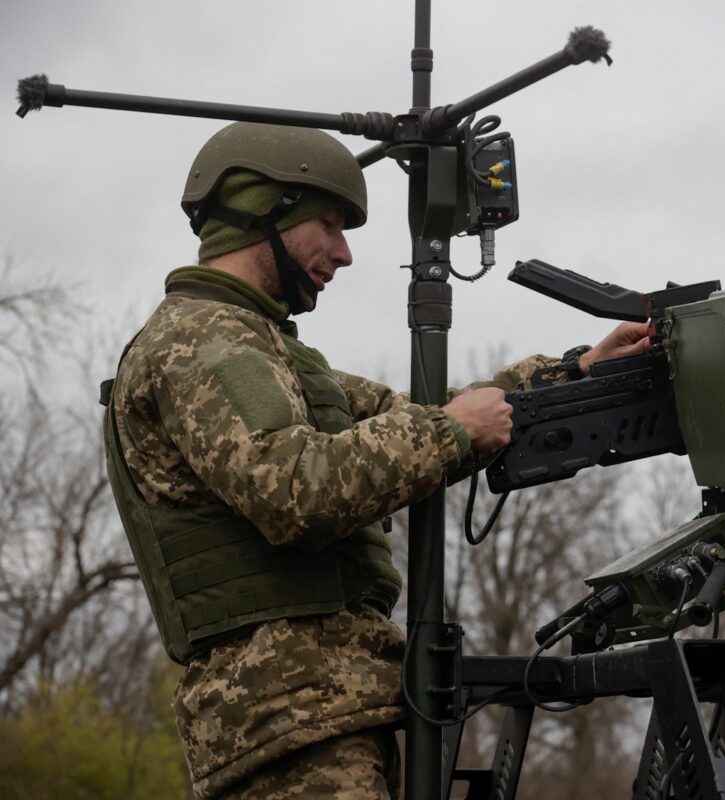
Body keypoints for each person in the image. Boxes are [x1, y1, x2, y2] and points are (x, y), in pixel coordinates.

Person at [101, 121, 651, 799]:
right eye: (329, 226)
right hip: (285, 718)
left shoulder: (263, 348)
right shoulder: (202, 342)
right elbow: (294, 491)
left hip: (322, 709)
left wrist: (578, 370)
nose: (344, 253)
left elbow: (420, 416)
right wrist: (452, 432)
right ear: (263, 213)